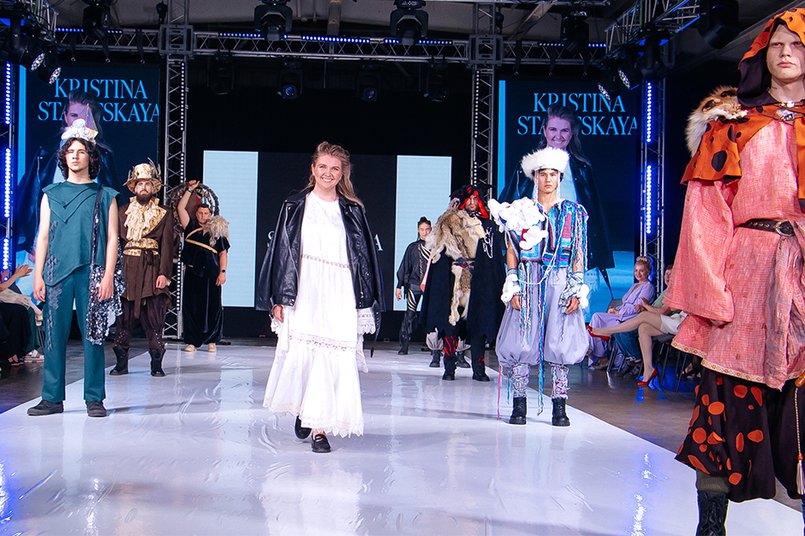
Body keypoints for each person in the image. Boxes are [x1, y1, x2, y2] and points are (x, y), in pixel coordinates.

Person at [665, 9, 805, 534]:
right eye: (777, 44)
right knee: (722, 407)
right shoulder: (733, 126)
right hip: (745, 276)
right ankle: (711, 527)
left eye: (798, 43)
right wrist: (712, 294)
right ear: (762, 54)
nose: (786, 52)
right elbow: (705, 214)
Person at [257, 141, 382, 454]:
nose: (328, 173)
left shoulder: (353, 210)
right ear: (313, 169)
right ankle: (307, 410)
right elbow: (281, 253)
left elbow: (364, 258)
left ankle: (319, 428)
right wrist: (279, 297)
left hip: (340, 291)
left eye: (335, 168)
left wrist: (364, 301)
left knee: (331, 357)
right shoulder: (294, 205)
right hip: (305, 291)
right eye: (323, 166)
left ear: (342, 173)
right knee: (306, 356)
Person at [27, 119, 119, 418]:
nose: (75, 156)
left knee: (93, 335)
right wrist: (38, 275)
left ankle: (94, 398)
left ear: (90, 157)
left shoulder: (105, 195)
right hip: (56, 271)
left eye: (81, 151)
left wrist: (108, 275)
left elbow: (113, 238)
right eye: (70, 151)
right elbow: (42, 236)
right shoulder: (51, 193)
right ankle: (52, 398)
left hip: (92, 271)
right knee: (54, 335)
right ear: (64, 157)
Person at [496, 146, 589, 427]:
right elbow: (511, 249)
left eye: (553, 174)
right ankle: (519, 404)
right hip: (529, 277)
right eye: (543, 173)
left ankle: (559, 406)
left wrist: (576, 286)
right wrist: (513, 282)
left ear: (560, 177)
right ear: (534, 176)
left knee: (560, 340)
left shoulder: (573, 212)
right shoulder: (521, 210)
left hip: (560, 279)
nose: (548, 179)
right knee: (523, 337)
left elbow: (578, 251)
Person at [500, 104, 614, 281]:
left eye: (564, 130)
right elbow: (509, 207)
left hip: (571, 248)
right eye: (553, 129)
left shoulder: (582, 169)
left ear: (572, 133)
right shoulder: (528, 166)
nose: (558, 136)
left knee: (570, 296)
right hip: (533, 248)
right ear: (544, 131)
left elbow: (594, 216)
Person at [15, 90, 119, 255]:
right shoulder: (46, 154)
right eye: (74, 115)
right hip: (50, 238)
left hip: (88, 240)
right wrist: (33, 242)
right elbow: (31, 199)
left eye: (85, 116)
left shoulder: (104, 157)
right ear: (65, 117)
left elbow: (112, 205)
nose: (79, 122)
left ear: (94, 118)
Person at [421, 184, 504, 382]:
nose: (473, 203)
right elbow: (439, 251)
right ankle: (449, 368)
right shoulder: (450, 223)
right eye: (469, 199)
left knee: (478, 326)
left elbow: (492, 259)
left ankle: (479, 369)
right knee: (452, 325)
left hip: (479, 284)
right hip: (455, 283)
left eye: (476, 199)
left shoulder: (487, 226)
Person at [110, 162, 175, 377]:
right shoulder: (122, 211)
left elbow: (167, 245)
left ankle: (156, 363)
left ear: (154, 187)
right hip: (127, 267)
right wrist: (113, 273)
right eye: (140, 184)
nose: (144, 188)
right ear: (134, 187)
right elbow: (115, 243)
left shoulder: (164, 213)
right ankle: (121, 363)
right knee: (124, 316)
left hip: (152, 267)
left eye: (147, 184)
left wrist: (164, 273)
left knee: (154, 315)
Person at [591, 266, 686, 387]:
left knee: (641, 318)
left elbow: (664, 311)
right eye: (666, 274)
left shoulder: (678, 290)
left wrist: (645, 306)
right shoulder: (666, 291)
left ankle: (608, 332)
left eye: (671, 275)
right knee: (644, 328)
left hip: (679, 323)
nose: (667, 277)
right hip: (668, 320)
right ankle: (648, 369)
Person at [177, 180, 229, 353]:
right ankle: (192, 341)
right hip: (193, 273)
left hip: (212, 274)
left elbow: (223, 254)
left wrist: (222, 272)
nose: (203, 216)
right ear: (196, 214)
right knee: (191, 307)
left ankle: (212, 340)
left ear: (210, 214)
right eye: (200, 213)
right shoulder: (190, 226)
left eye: (206, 213)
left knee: (213, 307)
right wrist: (189, 190)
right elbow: (180, 208)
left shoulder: (217, 230)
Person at [586, 256, 655, 370]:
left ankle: (598, 352)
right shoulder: (635, 285)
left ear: (648, 272)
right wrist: (615, 309)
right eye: (636, 270)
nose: (638, 274)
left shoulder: (648, 287)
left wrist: (618, 312)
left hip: (631, 318)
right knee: (596, 317)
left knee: (597, 318)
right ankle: (597, 352)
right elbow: (625, 303)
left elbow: (637, 307)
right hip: (622, 314)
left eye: (641, 271)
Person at [395, 216, 431, 355]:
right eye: (422, 229)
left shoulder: (435, 248)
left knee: (431, 315)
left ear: (431, 230)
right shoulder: (412, 247)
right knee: (409, 315)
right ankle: (404, 345)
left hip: (430, 286)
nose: (424, 232)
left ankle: (433, 346)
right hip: (414, 285)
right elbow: (404, 267)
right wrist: (399, 286)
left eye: (427, 229)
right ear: (418, 230)